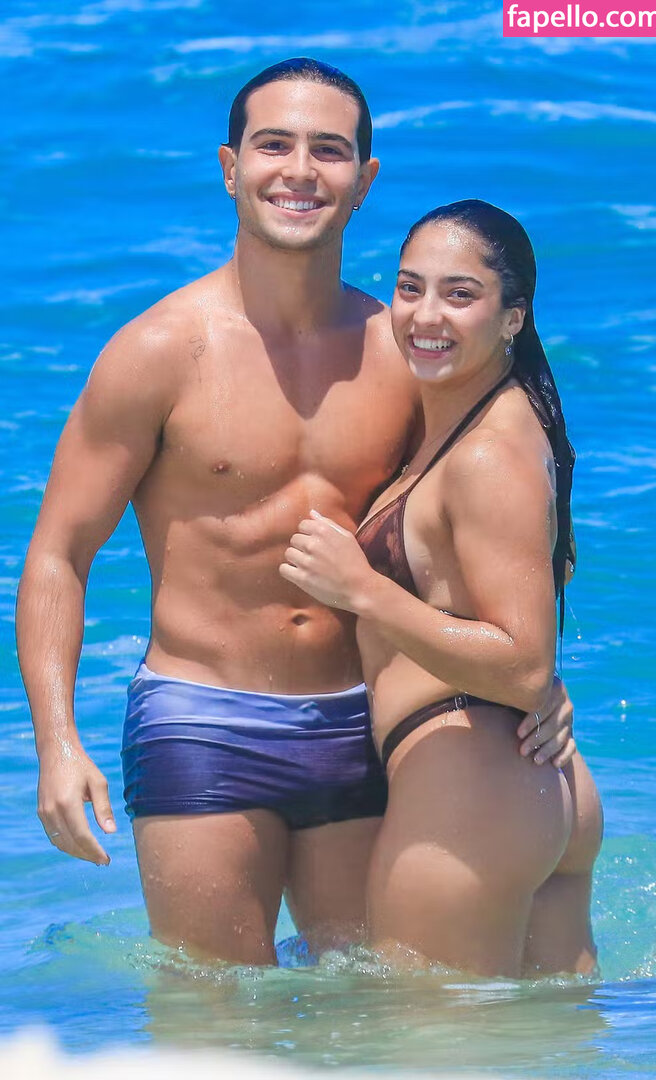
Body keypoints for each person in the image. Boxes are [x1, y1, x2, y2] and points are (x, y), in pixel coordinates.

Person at [17, 61, 576, 967]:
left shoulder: (405, 354)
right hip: (202, 719)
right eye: (274, 144)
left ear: (365, 178)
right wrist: (56, 742)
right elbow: (58, 554)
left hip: (362, 724)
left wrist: (533, 676)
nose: (300, 171)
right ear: (230, 167)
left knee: (367, 1005)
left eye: (329, 149)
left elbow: (499, 514)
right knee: (211, 1007)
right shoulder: (159, 352)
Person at [280, 199, 603, 977]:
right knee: (551, 1037)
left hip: (466, 797)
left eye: (459, 295)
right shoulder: (488, 421)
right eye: (409, 287)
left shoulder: (487, 453)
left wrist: (364, 590)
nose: (426, 315)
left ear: (512, 317)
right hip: (522, 786)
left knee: (428, 1041)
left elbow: (521, 664)